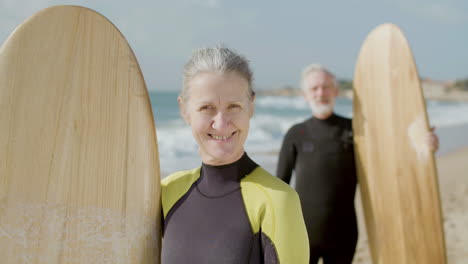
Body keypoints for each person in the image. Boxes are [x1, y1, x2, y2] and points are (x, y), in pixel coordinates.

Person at [276, 64, 439, 264]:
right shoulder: (296, 134)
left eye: (326, 87)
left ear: (336, 91)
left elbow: (390, 154)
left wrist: (422, 141)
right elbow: (279, 186)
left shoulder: (356, 130)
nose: (321, 93)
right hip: (300, 234)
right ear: (305, 95)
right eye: (314, 88)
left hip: (344, 234)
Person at [161, 45, 309, 264]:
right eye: (206, 108)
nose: (221, 123)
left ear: (251, 107)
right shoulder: (167, 191)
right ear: (184, 110)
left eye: (233, 106)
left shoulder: (277, 200)